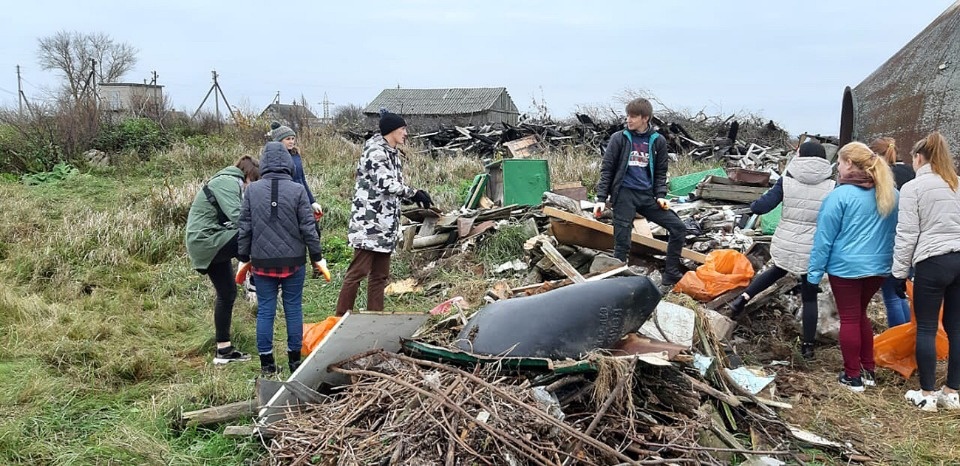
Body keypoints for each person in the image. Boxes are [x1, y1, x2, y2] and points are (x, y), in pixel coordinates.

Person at [727, 141, 835, 359]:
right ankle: (807, 346)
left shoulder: (786, 181)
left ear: (800, 156)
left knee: (777, 270)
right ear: (824, 160)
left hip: (786, 240)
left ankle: (742, 299)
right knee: (810, 294)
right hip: (813, 245)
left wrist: (756, 203)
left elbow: (761, 207)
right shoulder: (832, 186)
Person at [808, 141, 898, 392]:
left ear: (849, 164)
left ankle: (852, 376)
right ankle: (868, 369)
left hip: (845, 268)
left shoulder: (839, 197)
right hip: (879, 267)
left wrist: (813, 275)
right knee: (860, 315)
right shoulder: (891, 194)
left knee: (849, 317)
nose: (837, 166)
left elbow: (823, 239)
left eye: (839, 162)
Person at [237, 142, 324, 375]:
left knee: (266, 309)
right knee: (293, 308)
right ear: (287, 163)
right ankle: (294, 361)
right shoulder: (297, 190)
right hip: (294, 260)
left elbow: (244, 227)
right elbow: (309, 227)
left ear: (264, 163)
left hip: (262, 262)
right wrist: (317, 256)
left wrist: (243, 257)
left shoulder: (251, 191)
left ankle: (267, 364)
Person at [334, 111, 432, 316]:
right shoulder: (376, 152)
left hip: (386, 225)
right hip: (369, 224)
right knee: (357, 272)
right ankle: (340, 318)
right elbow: (385, 183)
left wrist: (410, 198)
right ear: (391, 131)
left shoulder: (392, 153)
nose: (406, 133)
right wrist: (413, 193)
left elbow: (391, 188)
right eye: (403, 129)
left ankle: (374, 319)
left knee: (380, 276)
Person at [892, 131, 960, 411]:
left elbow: (907, 234)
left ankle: (927, 394)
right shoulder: (957, 184)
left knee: (928, 327)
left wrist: (898, 273)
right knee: (957, 327)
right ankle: (953, 392)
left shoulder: (913, 189)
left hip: (932, 261)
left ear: (919, 158)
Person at [594, 97, 686, 289]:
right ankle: (617, 283)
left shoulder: (657, 141)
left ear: (645, 118)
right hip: (624, 195)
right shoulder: (619, 138)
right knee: (622, 241)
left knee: (678, 228)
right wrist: (601, 198)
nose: (628, 119)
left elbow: (661, 172)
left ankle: (671, 274)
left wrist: (660, 195)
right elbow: (607, 169)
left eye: (633, 116)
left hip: (646, 196)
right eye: (628, 115)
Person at [186, 156, 260, 365]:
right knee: (252, 235)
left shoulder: (230, 182)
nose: (252, 187)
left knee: (227, 294)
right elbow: (239, 217)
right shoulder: (228, 182)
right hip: (207, 241)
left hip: (213, 239)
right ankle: (256, 278)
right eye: (253, 182)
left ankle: (223, 350)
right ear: (247, 176)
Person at [869, 137, 915, 328]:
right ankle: (908, 335)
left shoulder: (881, 177)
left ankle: (898, 338)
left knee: (891, 297)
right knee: (901, 293)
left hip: (890, 241)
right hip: (912, 239)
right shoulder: (911, 172)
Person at [269, 122, 324, 278]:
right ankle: (294, 268)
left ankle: (317, 266)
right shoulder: (274, 159)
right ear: (278, 141)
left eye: (293, 138)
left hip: (303, 198)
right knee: (295, 234)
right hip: (287, 201)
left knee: (313, 231)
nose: (291, 141)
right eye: (288, 139)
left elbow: (302, 179)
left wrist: (312, 201)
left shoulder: (295, 155)